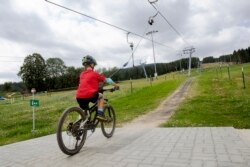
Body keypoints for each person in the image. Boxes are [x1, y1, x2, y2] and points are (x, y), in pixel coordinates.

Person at [76, 55, 119, 121]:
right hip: (90, 94)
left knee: (84, 110)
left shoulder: (81, 74)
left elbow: (82, 84)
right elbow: (108, 80)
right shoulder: (95, 74)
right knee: (101, 96)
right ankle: (100, 114)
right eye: (94, 65)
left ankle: (78, 123)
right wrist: (116, 85)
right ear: (92, 64)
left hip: (79, 96)